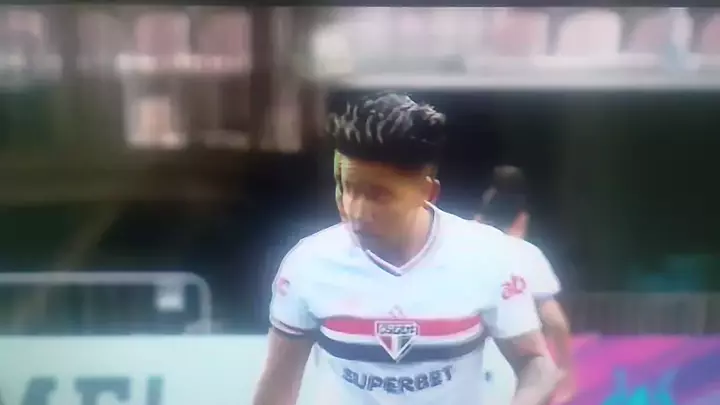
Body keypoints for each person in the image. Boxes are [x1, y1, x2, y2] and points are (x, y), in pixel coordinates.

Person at [253, 92, 560, 405]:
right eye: (345, 186)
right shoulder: (308, 264)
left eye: (378, 195)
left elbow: (536, 364)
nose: (355, 209)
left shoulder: (487, 256)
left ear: (427, 193)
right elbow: (277, 386)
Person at [475, 165, 575, 405]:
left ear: (479, 219)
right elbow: (555, 320)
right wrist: (565, 368)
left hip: (460, 370)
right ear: (522, 219)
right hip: (514, 370)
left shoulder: (460, 251)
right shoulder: (526, 254)